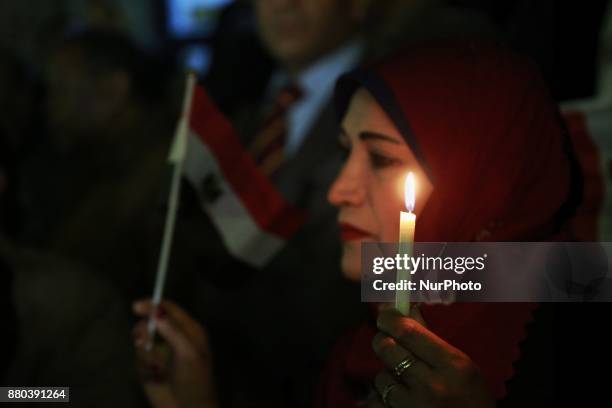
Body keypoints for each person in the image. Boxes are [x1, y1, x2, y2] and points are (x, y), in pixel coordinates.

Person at [133, 38, 578, 407]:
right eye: (346, 151)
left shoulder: (565, 343)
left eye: (382, 158)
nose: (338, 191)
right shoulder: (358, 342)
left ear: (486, 181)